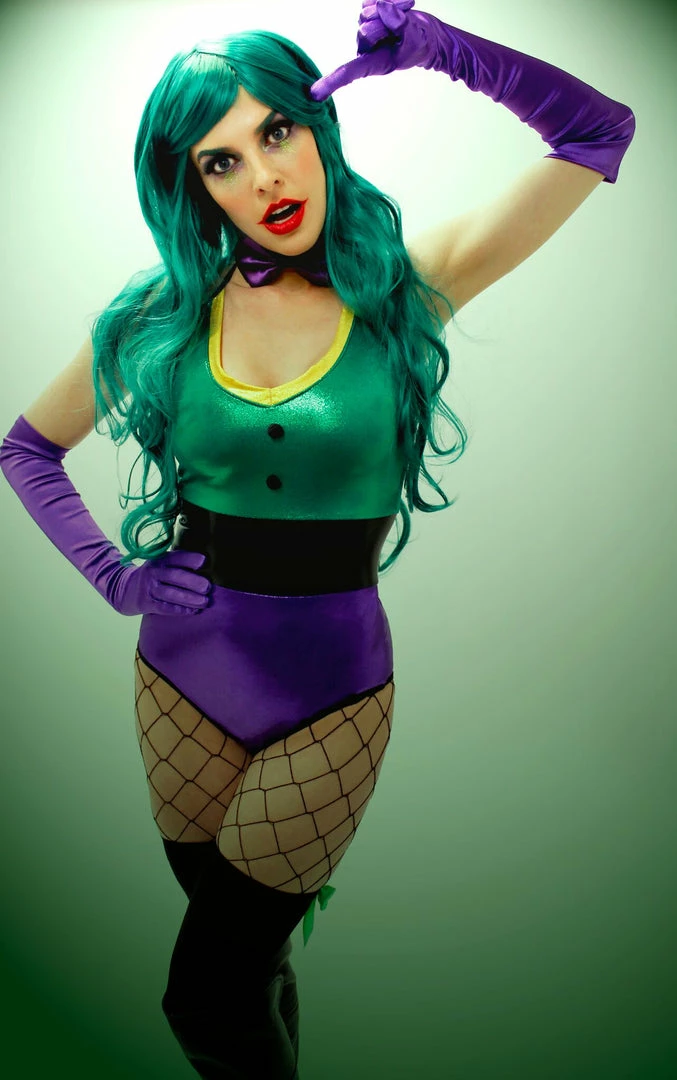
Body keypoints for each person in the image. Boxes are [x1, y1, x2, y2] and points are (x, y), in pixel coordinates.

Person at [0, 1, 635, 1077]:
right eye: (222, 161)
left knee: (204, 994)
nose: (262, 178)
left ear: (317, 124)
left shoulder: (405, 290)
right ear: (194, 186)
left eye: (276, 132)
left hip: (331, 693)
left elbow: (597, 132)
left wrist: (441, 50)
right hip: (179, 682)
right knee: (251, 963)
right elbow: (27, 449)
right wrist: (114, 576)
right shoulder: (162, 311)